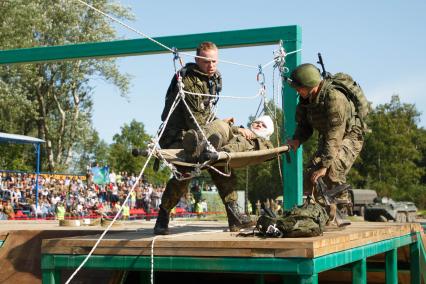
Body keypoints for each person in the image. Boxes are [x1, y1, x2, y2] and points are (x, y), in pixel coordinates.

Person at [155, 41, 252, 234]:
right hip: (179, 136)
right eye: (207, 61)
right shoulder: (188, 81)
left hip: (201, 134)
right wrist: (227, 128)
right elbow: (195, 120)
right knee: (184, 173)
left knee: (220, 162)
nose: (211, 65)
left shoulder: (212, 79)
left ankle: (234, 214)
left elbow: (205, 115)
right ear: (197, 59)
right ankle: (163, 216)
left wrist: (225, 125)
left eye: (214, 61)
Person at [286, 63, 365, 225]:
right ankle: (325, 215)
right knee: (311, 174)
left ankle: (341, 208)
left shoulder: (334, 98)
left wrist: (324, 166)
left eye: (298, 87)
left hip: (350, 135)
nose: (296, 91)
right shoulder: (305, 100)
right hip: (329, 138)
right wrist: (297, 139)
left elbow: (335, 135)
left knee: (332, 169)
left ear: (310, 85)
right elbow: (304, 126)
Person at [182, 115, 275, 162]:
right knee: (220, 123)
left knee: (242, 143)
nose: (259, 124)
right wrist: (239, 129)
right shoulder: (242, 130)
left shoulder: (265, 142)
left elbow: (269, 152)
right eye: (257, 122)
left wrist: (255, 137)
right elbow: (229, 130)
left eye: (263, 125)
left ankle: (199, 149)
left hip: (229, 151)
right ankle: (197, 142)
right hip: (223, 142)